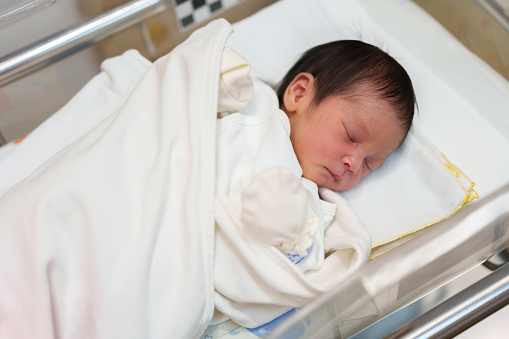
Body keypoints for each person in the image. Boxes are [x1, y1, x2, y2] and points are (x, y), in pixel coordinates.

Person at [215, 40, 416, 266]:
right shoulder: (253, 102)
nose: (355, 165)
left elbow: (293, 261)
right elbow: (198, 82)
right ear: (299, 94)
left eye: (370, 163)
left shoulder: (310, 203)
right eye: (351, 136)